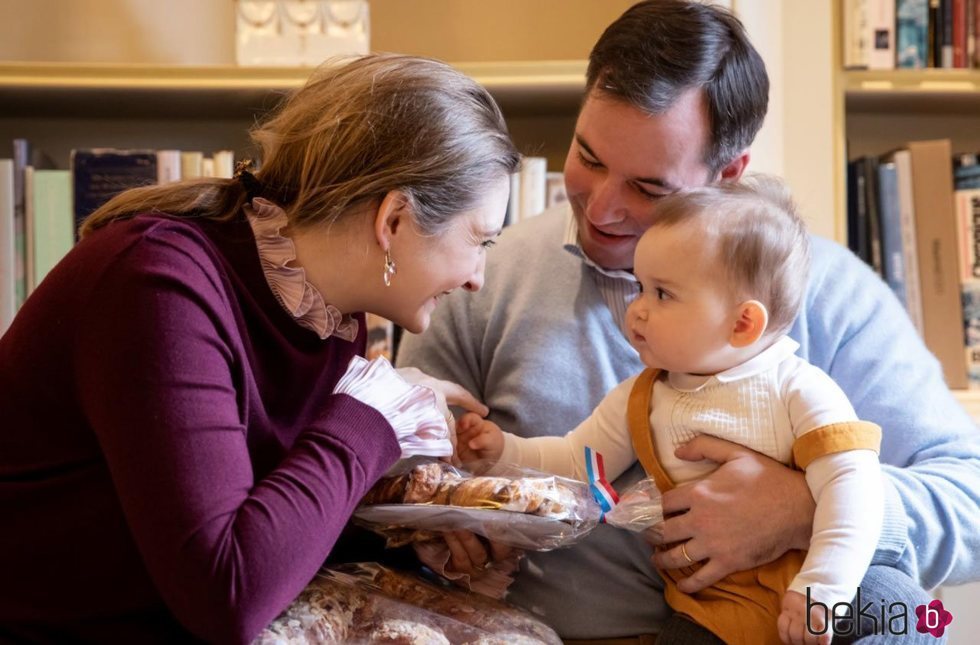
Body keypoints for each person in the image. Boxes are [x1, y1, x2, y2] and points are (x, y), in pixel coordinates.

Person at [397, 1, 980, 642]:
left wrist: (807, 510)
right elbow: (400, 469)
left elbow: (970, 502)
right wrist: (439, 521)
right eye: (588, 158)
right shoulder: (479, 273)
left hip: (782, 623)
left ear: (729, 175)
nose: (603, 209)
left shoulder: (832, 294)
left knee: (897, 606)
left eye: (650, 189)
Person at [0, 53, 519, 643]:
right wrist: (380, 411)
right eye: (480, 240)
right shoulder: (157, 285)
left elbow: (259, 519)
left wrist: (409, 539)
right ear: (394, 219)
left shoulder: (330, 318)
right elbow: (228, 592)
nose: (478, 276)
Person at [455, 177, 885, 645]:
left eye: (661, 294)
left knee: (903, 607)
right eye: (640, 287)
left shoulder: (799, 389)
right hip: (713, 611)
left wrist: (824, 585)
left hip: (825, 586)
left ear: (743, 323)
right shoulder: (642, 397)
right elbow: (575, 458)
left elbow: (853, 484)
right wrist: (501, 449)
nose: (635, 310)